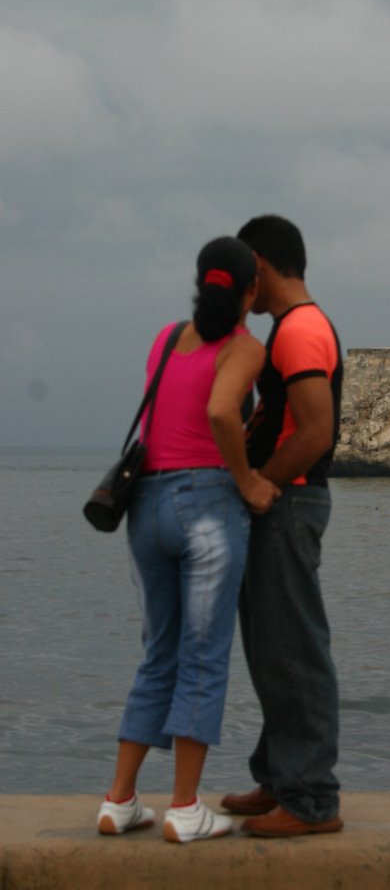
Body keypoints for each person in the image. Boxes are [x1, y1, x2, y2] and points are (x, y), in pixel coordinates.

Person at [97, 236, 280, 845]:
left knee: (160, 654)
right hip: (205, 508)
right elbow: (222, 412)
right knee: (203, 658)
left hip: (145, 506)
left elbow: (169, 412)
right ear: (251, 291)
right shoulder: (245, 348)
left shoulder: (166, 337)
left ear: (201, 281)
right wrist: (248, 481)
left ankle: (119, 800)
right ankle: (183, 807)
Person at [220, 214, 344, 837]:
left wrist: (261, 483)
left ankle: (311, 799)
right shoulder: (291, 328)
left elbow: (317, 431)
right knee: (273, 648)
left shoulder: (299, 332)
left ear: (260, 265)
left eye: (246, 271)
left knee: (294, 650)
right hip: (284, 501)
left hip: (290, 503)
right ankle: (279, 778)